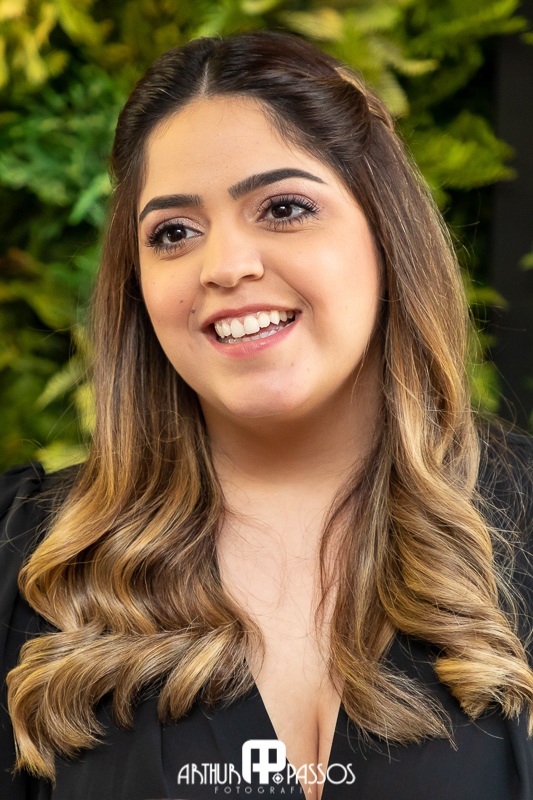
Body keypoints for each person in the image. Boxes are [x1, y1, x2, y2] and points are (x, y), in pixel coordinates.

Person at [1, 30, 533, 800]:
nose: (224, 266)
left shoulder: (524, 517)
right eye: (173, 233)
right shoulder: (28, 563)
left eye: (283, 208)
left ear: (385, 231)